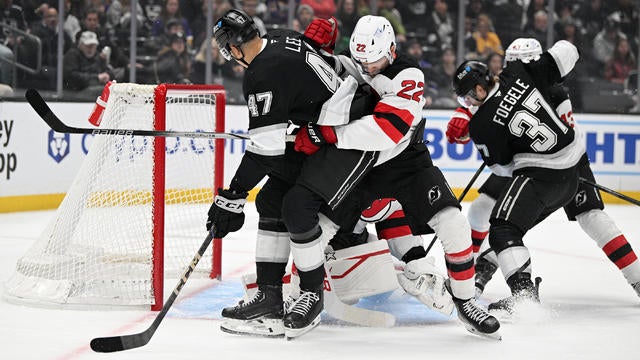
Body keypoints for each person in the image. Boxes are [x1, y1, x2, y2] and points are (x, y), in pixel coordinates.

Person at [280, 15, 500, 339]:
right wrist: (314, 49)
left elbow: (387, 130)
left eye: (374, 61)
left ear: (392, 50)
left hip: (406, 163)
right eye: (361, 62)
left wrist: (324, 134)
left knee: (453, 221)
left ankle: (466, 302)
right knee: (318, 227)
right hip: (359, 166)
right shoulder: (360, 62)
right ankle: (306, 295)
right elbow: (325, 71)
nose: (368, 68)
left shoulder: (408, 74)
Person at [207, 9, 376, 338]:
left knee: (296, 206)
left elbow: (265, 153)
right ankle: (269, 298)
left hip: (350, 139)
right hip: (333, 129)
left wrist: (234, 194)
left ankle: (311, 296)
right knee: (271, 199)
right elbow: (308, 90)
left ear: (234, 48)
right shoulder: (282, 36)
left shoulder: (262, 74)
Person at [446, 38, 640, 302]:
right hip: (556, 160)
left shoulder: (554, 92)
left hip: (545, 166)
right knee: (486, 210)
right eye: (508, 62)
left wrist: (475, 123)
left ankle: (636, 278)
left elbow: (503, 159)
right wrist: (468, 114)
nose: (509, 66)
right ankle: (476, 274)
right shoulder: (526, 74)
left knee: (585, 218)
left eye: (514, 62)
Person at [450, 38, 583, 314]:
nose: (467, 104)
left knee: (502, 228)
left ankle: (524, 299)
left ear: (478, 89)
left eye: (466, 98)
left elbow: (503, 170)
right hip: (572, 171)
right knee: (511, 227)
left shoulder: (481, 126)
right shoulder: (519, 72)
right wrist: (542, 63)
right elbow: (569, 51)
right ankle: (482, 277)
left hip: (541, 175)